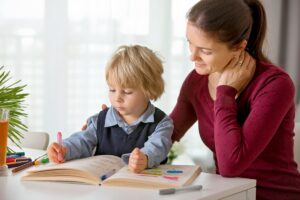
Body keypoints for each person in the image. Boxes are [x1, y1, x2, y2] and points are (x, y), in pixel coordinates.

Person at [169, 0, 300, 199]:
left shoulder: (275, 85)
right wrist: (115, 122)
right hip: (229, 195)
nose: (192, 56)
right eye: (190, 43)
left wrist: (225, 92)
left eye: (205, 51)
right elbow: (165, 134)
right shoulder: (196, 81)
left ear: (239, 47)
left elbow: (231, 165)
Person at [47, 45, 173, 173]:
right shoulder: (100, 121)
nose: (117, 98)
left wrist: (145, 158)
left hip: (143, 188)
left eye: (127, 92)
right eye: (112, 90)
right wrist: (64, 148)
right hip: (103, 187)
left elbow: (157, 148)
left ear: (149, 90)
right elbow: (82, 141)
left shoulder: (162, 123)